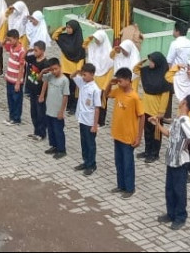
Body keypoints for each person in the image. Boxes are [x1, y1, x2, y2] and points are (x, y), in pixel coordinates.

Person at [150, 94, 190, 231]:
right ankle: (170, 213)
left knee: (179, 190)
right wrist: (157, 124)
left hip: (180, 161)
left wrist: (184, 144)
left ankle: (180, 217)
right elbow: (169, 134)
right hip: (172, 159)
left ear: (184, 103)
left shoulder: (184, 120)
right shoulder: (178, 118)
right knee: (170, 188)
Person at [105, 68, 145, 199]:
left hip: (128, 137)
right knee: (119, 161)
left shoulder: (134, 97)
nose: (119, 83)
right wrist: (109, 84)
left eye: (120, 81)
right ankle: (120, 185)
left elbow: (142, 116)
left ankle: (130, 188)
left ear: (129, 81)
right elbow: (106, 95)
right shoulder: (118, 91)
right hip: (117, 134)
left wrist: (139, 137)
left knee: (128, 163)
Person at [134, 52, 171, 163]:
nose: (150, 63)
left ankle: (154, 154)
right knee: (147, 132)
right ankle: (147, 151)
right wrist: (142, 61)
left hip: (156, 111)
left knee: (156, 134)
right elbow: (135, 70)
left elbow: (165, 96)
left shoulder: (165, 78)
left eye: (152, 61)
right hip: (146, 109)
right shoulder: (147, 72)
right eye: (150, 61)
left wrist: (161, 112)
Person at [71, 63, 102, 176]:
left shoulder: (95, 90)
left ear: (92, 75)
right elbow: (72, 76)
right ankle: (85, 161)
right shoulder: (82, 83)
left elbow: (97, 109)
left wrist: (95, 125)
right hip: (82, 119)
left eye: (85, 75)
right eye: (83, 75)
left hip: (90, 121)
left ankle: (92, 164)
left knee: (90, 143)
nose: (83, 77)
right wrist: (78, 71)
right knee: (83, 142)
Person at [52, 20, 85, 115]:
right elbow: (54, 36)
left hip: (74, 70)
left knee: (74, 90)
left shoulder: (79, 42)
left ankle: (73, 107)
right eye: (67, 27)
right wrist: (62, 28)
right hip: (65, 68)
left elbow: (81, 57)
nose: (68, 29)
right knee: (66, 88)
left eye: (70, 28)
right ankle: (68, 106)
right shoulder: (64, 38)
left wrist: (78, 70)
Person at [40, 58, 70, 160]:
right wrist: (43, 71)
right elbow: (41, 79)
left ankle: (61, 149)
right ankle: (54, 146)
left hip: (58, 111)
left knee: (58, 130)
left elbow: (65, 96)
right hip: (49, 109)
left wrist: (62, 111)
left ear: (60, 67)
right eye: (52, 69)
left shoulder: (64, 80)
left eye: (55, 69)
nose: (54, 71)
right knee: (51, 129)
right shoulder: (50, 76)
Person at [85, 30, 114, 127]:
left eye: (98, 39)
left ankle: (101, 121)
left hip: (103, 83)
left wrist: (106, 86)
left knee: (102, 102)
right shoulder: (93, 47)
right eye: (95, 39)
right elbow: (84, 46)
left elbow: (110, 70)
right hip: (94, 80)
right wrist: (90, 38)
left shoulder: (109, 53)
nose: (96, 41)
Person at [26, 41, 49, 141]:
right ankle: (36, 131)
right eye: (34, 50)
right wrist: (28, 50)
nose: (34, 52)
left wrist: (42, 95)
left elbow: (45, 81)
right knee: (33, 112)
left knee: (41, 113)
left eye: (36, 50)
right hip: (32, 90)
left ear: (42, 51)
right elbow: (24, 57)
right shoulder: (33, 58)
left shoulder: (45, 63)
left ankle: (42, 133)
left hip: (39, 92)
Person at [4, 29, 26, 126]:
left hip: (16, 80)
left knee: (16, 99)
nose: (9, 42)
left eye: (11, 40)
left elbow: (21, 67)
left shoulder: (21, 51)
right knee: (10, 98)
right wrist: (6, 39)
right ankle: (11, 116)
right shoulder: (11, 47)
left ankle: (16, 118)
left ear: (16, 39)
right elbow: (2, 44)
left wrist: (18, 82)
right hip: (9, 78)